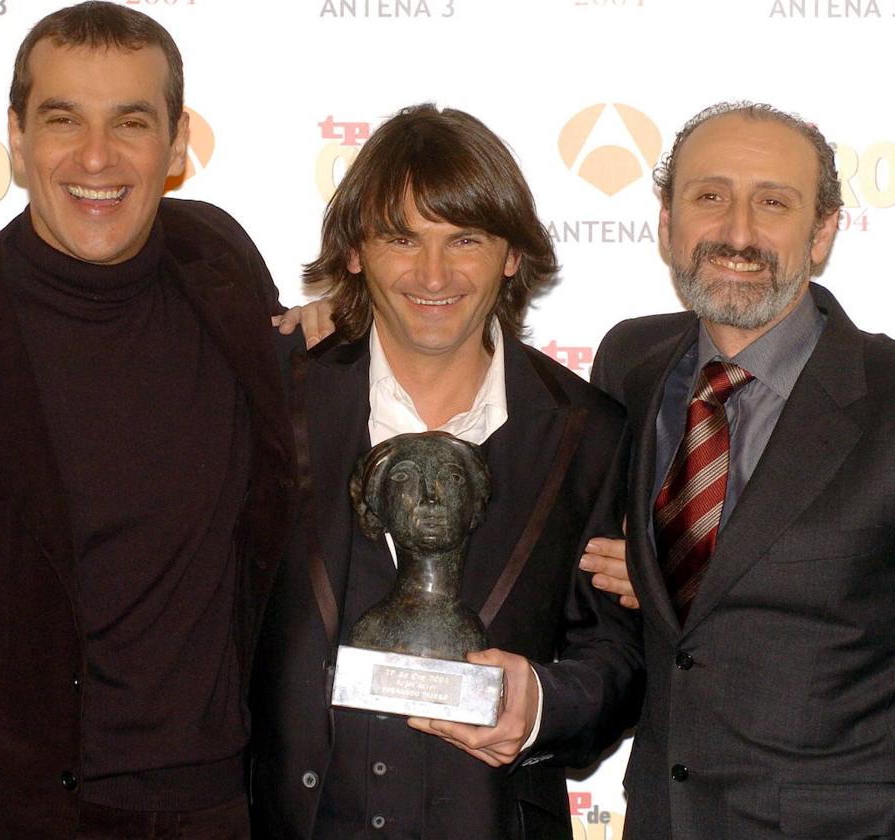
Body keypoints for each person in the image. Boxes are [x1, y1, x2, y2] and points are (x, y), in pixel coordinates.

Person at [0, 3, 293, 837]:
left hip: (233, 807)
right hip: (27, 816)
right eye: (62, 121)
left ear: (177, 141)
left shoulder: (220, 263)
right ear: (16, 138)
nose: (97, 157)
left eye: (131, 120)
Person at [579, 102, 895, 839]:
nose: (737, 231)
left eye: (773, 202)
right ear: (665, 222)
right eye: (710, 196)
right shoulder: (629, 363)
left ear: (823, 231)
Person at [249, 103, 645, 840]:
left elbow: (618, 656)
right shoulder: (272, 391)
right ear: (357, 252)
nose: (433, 274)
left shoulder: (588, 431)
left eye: (464, 238)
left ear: (512, 255)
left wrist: (541, 704)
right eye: (402, 237)